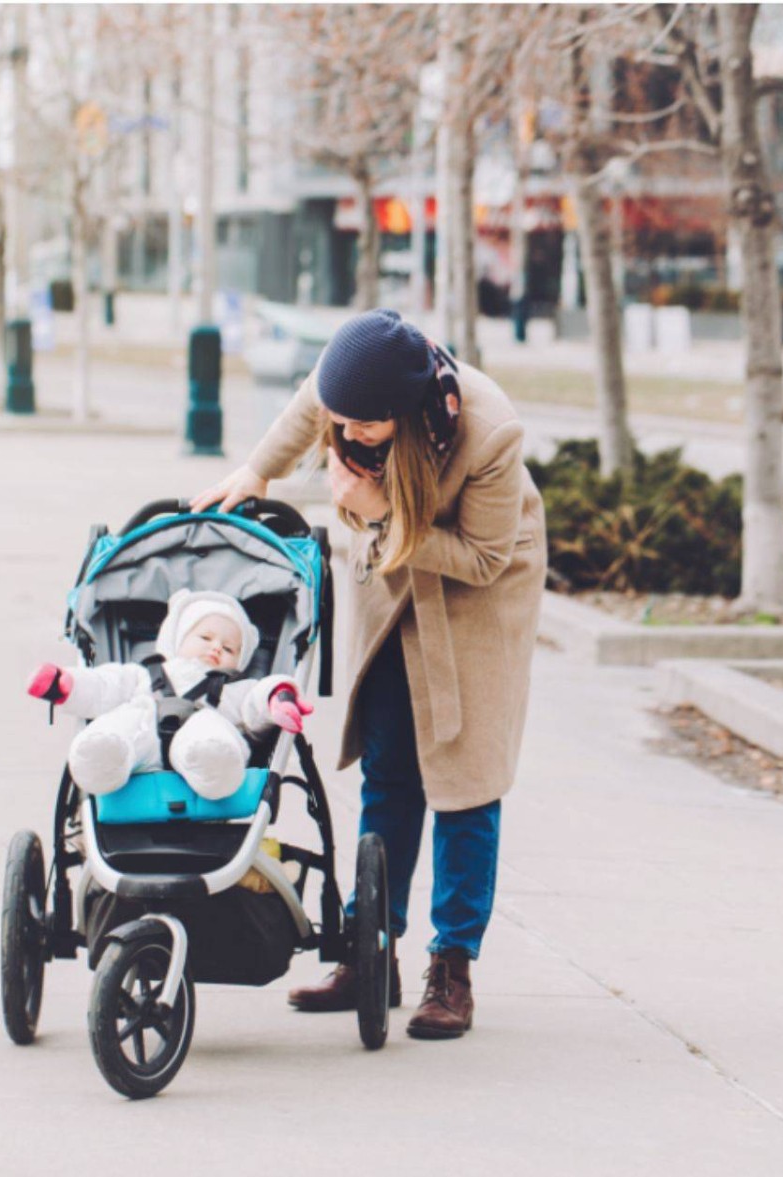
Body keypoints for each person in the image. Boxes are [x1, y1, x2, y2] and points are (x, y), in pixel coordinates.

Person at [193, 308, 546, 1040]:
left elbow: (482, 558)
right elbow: (307, 410)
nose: (346, 436)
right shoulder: (350, 390)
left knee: (464, 777)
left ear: (405, 412)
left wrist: (383, 515)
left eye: (364, 428)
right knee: (389, 763)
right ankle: (371, 950)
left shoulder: (489, 430)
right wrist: (257, 471)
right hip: (393, 567)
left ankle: (453, 966)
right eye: (340, 421)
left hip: (480, 584)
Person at [29, 590, 313, 800]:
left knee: (213, 731)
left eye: (229, 649)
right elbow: (105, 686)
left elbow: (254, 698)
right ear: (176, 639)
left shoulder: (229, 689)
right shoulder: (142, 674)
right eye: (205, 638)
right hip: (144, 729)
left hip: (202, 727)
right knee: (125, 722)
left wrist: (277, 697)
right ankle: (104, 757)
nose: (216, 648)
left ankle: (214, 763)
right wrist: (66, 684)